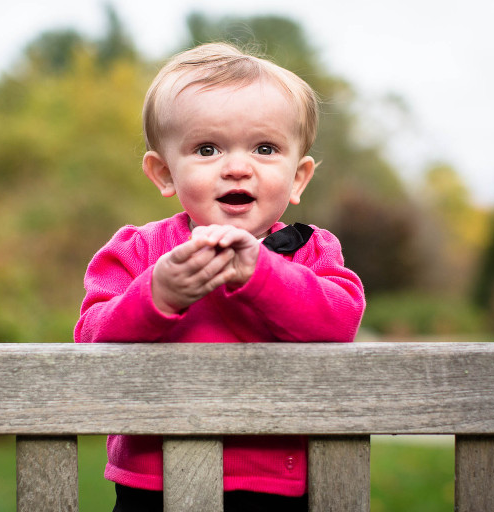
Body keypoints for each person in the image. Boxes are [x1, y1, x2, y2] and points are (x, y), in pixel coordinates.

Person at [74, 42, 365, 512]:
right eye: (207, 149)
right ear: (165, 173)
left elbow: (340, 321)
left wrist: (264, 274)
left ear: (297, 178)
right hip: (154, 482)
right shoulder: (137, 251)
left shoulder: (310, 251)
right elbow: (90, 339)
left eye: (265, 148)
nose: (236, 166)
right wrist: (158, 293)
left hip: (276, 486)